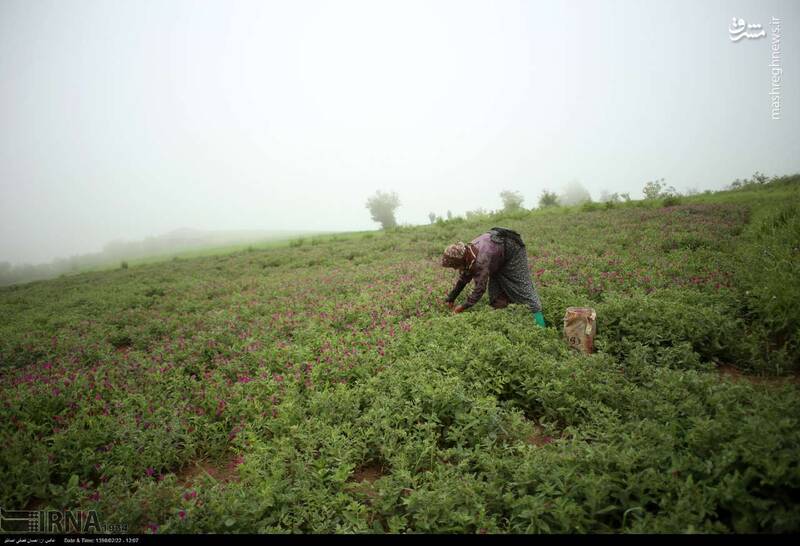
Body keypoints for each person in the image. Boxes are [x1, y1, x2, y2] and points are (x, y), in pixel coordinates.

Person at [441, 227, 545, 327]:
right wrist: (450, 298)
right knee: (496, 295)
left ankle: (541, 326)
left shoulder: (481, 260)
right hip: (497, 254)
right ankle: (506, 325)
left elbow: (479, 289)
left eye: (455, 266)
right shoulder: (468, 252)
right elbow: (464, 278)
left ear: (462, 260)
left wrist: (463, 307)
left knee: (523, 289)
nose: (455, 269)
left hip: (513, 251)